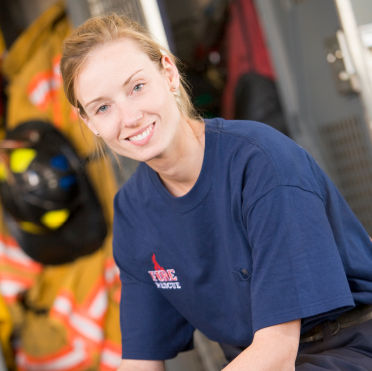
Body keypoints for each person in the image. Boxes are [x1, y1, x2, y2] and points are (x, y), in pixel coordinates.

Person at [60, 13, 372, 371]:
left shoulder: (260, 164)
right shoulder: (134, 212)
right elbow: (141, 363)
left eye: (137, 87)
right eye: (103, 107)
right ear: (88, 121)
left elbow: (277, 353)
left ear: (169, 73)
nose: (129, 117)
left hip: (350, 347)